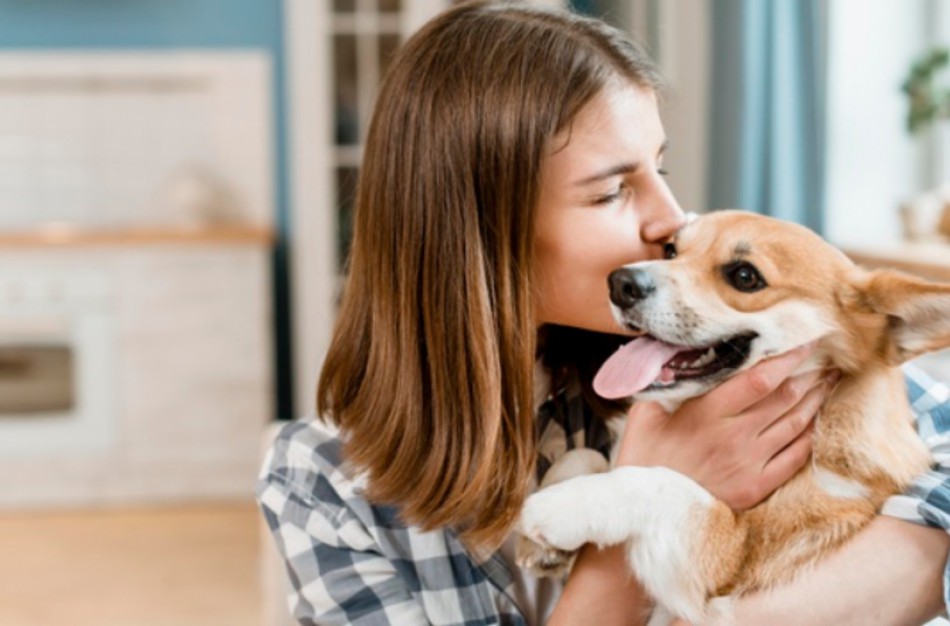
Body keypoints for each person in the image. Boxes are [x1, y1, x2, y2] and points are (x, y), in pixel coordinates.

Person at [257, 2, 950, 624]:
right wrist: (634, 529)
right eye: (612, 191)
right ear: (484, 234)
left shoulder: (780, 367)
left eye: (661, 170)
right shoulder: (323, 486)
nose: (672, 220)